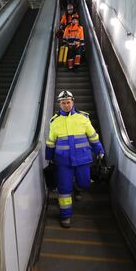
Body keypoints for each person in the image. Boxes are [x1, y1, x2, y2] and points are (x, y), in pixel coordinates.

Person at [45, 90, 105, 228]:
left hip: (83, 158)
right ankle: (65, 216)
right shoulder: (54, 121)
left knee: (85, 183)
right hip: (63, 162)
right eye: (63, 103)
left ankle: (78, 188)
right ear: (59, 104)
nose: (66, 105)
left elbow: (93, 136)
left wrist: (99, 150)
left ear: (73, 102)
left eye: (68, 102)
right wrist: (49, 158)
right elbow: (50, 141)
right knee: (64, 190)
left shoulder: (83, 118)